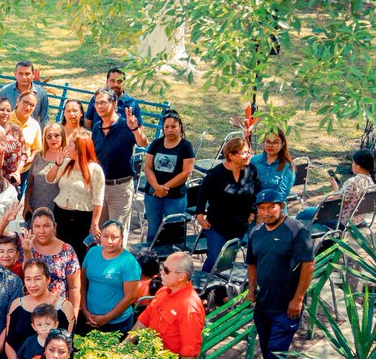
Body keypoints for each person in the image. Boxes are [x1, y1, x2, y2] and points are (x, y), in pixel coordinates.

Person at [246, 188, 315, 359]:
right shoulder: (255, 233)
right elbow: (252, 264)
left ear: (282, 206)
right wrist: (251, 290)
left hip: (288, 308)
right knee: (268, 351)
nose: (266, 212)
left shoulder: (297, 231)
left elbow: (308, 266)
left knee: (275, 354)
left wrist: (298, 299)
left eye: (271, 207)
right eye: (262, 208)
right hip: (264, 303)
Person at [89, 88, 146, 242]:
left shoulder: (126, 124)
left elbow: (143, 142)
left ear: (113, 104)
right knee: (101, 233)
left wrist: (135, 128)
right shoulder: (96, 127)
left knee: (117, 233)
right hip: (99, 187)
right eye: (96, 103)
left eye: (103, 102)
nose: (99, 106)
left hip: (120, 187)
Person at [129, 251, 205, 359]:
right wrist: (125, 344)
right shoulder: (164, 291)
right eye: (162, 267)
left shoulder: (189, 308)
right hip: (149, 356)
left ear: (181, 277)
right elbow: (145, 319)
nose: (161, 272)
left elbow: (189, 353)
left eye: (166, 270)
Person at [196, 136, 260, 272]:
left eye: (249, 152)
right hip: (217, 226)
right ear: (231, 155)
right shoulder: (216, 174)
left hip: (239, 226)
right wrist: (200, 216)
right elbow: (202, 194)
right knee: (217, 259)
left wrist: (253, 212)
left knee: (224, 261)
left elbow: (257, 193)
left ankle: (206, 287)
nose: (248, 156)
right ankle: (205, 287)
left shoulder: (251, 170)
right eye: (244, 153)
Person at [5, 261, 74, 359]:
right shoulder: (16, 305)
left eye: (37, 279)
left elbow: (68, 345)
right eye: (28, 279)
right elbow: (9, 343)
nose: (32, 284)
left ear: (48, 279)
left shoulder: (64, 307)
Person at [141, 110, 195, 244]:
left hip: (175, 198)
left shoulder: (186, 146)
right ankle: (152, 261)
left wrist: (164, 188)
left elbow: (186, 172)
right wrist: (156, 187)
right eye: (166, 127)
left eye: (173, 126)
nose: (170, 130)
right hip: (153, 195)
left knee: (172, 233)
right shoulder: (156, 144)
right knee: (153, 231)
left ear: (180, 127)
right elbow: (147, 167)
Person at [50, 133, 105, 262]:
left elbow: (98, 199)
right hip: (60, 213)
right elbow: (50, 179)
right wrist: (57, 164)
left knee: (76, 253)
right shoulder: (66, 163)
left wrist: (94, 224)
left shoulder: (95, 169)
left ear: (80, 148)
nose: (67, 147)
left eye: (70, 145)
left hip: (81, 217)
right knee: (57, 250)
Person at [81, 219, 142, 335]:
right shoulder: (92, 252)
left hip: (117, 324)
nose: (109, 241)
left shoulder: (129, 262)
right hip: (90, 319)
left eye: (114, 237)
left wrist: (105, 318)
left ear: (122, 238)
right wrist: (84, 310)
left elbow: (130, 297)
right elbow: (82, 282)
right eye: (105, 236)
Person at [22, 208, 81, 319]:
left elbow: (74, 288)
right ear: (31, 228)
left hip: (59, 311)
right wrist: (27, 251)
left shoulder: (66, 250)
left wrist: (73, 317)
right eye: (37, 226)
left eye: (46, 226)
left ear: (54, 226)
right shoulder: (26, 245)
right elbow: (26, 270)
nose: (42, 231)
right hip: (32, 311)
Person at [298, 148, 376, 229]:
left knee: (304, 212)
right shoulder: (373, 183)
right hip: (358, 220)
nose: (352, 164)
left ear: (359, 166)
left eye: (353, 162)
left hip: (342, 221)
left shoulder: (353, 182)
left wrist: (335, 188)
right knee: (317, 208)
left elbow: (338, 204)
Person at [28, 122, 67, 216]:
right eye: (49, 136)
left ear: (62, 137)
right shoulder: (38, 156)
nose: (53, 139)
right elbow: (30, 184)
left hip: (58, 210)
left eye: (57, 136)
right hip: (35, 207)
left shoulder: (68, 159)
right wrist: (26, 205)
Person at [9, 92, 44, 195]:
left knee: (15, 200)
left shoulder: (34, 125)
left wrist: (31, 158)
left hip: (23, 170)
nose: (28, 107)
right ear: (18, 100)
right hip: (3, 168)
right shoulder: (7, 118)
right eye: (26, 102)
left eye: (32, 105)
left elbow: (37, 148)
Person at [250, 128, 296, 204]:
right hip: (253, 206)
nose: (270, 145)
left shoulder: (288, 166)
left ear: (283, 144)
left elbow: (281, 194)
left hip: (275, 207)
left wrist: (265, 209)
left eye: (275, 142)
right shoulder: (254, 161)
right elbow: (247, 187)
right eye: (267, 141)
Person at [0, 60, 49, 126]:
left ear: (33, 74)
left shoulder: (41, 93)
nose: (24, 77)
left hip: (31, 132)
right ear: (15, 74)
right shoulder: (5, 91)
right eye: (20, 74)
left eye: (27, 74)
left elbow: (44, 120)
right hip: (8, 131)